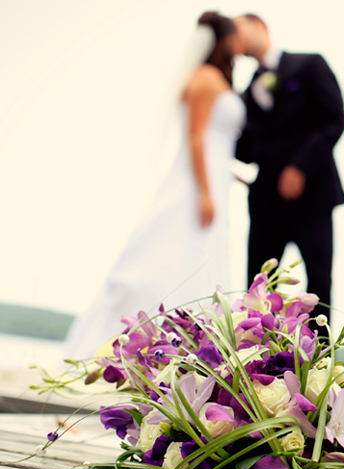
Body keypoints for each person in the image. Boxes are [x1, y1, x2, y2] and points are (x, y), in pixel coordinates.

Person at [62, 12, 245, 360]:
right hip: (196, 187)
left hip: (214, 181)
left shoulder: (213, 78)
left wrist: (227, 175)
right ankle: (126, 350)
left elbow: (215, 142)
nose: (239, 42)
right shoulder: (206, 79)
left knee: (197, 258)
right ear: (223, 40)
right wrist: (206, 192)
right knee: (168, 258)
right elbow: (195, 138)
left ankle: (183, 353)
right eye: (235, 35)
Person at [233, 13, 344, 338]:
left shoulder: (309, 65)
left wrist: (299, 166)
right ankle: (255, 358)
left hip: (313, 197)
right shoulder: (246, 93)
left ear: (258, 26)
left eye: (238, 30)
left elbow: (334, 120)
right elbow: (245, 149)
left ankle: (319, 363)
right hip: (266, 201)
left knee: (320, 282)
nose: (234, 38)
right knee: (257, 285)